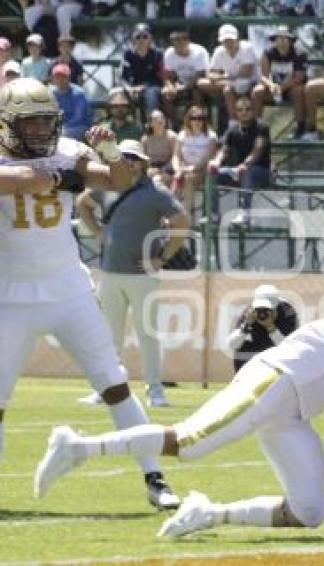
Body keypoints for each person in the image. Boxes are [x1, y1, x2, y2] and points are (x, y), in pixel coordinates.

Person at [33, 247, 324, 537]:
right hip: (277, 377)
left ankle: (208, 513)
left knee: (308, 512)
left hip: (295, 412)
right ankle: (77, 447)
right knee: (189, 444)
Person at [0, 78, 178, 509]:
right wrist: (59, 176)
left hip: (67, 290)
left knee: (114, 384)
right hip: (10, 296)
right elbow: (22, 179)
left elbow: (117, 180)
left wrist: (111, 151)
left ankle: (156, 479)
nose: (41, 131)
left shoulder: (67, 151)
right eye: (31, 123)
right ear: (7, 124)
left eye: (46, 121)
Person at [75, 140, 191, 408]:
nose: (128, 161)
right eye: (124, 156)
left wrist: (162, 258)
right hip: (110, 272)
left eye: (133, 157)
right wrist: (98, 232)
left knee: (147, 334)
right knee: (109, 336)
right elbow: (83, 204)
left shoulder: (155, 191)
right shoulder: (106, 185)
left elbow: (182, 222)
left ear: (143, 162)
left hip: (142, 275)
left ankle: (155, 391)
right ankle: (107, 391)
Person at [208, 97, 271, 227]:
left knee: (248, 172)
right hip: (238, 171)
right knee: (212, 173)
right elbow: (224, 150)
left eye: (248, 109)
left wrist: (245, 164)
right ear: (236, 112)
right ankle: (213, 214)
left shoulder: (262, 127)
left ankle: (244, 213)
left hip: (261, 172)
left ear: (253, 111)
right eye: (240, 109)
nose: (244, 112)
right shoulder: (232, 129)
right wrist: (216, 162)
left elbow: (257, 150)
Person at [226, 284, 299, 373]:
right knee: (244, 344)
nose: (262, 314)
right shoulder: (250, 313)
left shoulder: (288, 315)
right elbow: (232, 345)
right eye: (259, 309)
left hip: (277, 365)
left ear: (276, 307)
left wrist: (271, 327)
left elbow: (288, 350)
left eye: (267, 310)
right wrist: (246, 326)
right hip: (252, 363)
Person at [198, 24, 260, 123]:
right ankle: (233, 122)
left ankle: (249, 122)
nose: (228, 43)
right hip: (229, 83)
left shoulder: (247, 47)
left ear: (237, 39)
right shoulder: (218, 51)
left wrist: (222, 77)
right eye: (225, 41)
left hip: (250, 83)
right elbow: (210, 74)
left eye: (231, 40)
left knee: (227, 90)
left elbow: (247, 72)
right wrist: (222, 77)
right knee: (201, 83)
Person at [251, 25, 307, 129]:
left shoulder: (299, 54)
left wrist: (282, 88)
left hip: (291, 88)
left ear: (290, 41)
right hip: (273, 88)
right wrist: (272, 86)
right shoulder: (267, 53)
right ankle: (255, 126)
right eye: (279, 38)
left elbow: (299, 77)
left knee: (298, 91)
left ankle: (300, 126)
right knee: (257, 91)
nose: (282, 42)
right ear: (275, 40)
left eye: (285, 38)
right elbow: (264, 76)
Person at [162, 30, 210, 126]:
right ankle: (174, 125)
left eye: (181, 39)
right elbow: (168, 74)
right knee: (166, 94)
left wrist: (184, 87)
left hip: (198, 83)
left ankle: (201, 123)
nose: (178, 43)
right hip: (179, 82)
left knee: (197, 92)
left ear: (188, 41)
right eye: (174, 40)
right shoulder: (169, 53)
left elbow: (200, 74)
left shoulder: (200, 52)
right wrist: (170, 86)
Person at [120, 23, 164, 116]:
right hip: (133, 87)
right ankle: (130, 125)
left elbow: (160, 77)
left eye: (144, 36)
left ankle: (152, 125)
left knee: (151, 94)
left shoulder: (157, 54)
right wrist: (129, 88)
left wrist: (144, 86)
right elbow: (123, 77)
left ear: (150, 39)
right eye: (138, 37)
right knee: (117, 94)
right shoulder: (128, 54)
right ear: (133, 39)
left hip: (153, 86)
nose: (141, 40)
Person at [49, 63, 91, 141]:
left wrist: (59, 129)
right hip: (61, 128)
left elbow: (78, 119)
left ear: (69, 78)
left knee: (62, 135)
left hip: (79, 127)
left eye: (63, 77)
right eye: (57, 77)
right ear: (53, 79)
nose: (60, 80)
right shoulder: (51, 93)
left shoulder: (79, 93)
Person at [142, 109, 178, 187]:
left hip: (168, 169)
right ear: (150, 123)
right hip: (151, 169)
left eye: (162, 117)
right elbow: (143, 158)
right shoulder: (145, 139)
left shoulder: (172, 137)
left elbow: (176, 157)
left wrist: (162, 169)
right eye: (156, 118)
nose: (160, 120)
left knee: (157, 181)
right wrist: (149, 168)